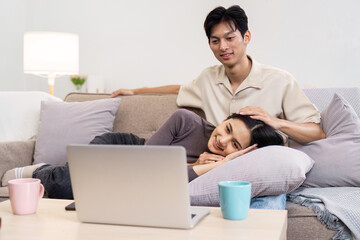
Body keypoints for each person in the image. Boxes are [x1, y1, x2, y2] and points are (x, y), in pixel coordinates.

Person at [111, 5, 325, 144]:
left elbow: (316, 132)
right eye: (215, 41)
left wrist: (276, 122)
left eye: (230, 38)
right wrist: (135, 91)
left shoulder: (281, 81)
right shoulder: (207, 79)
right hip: (219, 164)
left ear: (246, 36)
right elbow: (179, 89)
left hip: (263, 165)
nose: (223, 47)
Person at [2, 109, 284, 199]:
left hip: (129, 179)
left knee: (88, 194)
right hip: (123, 149)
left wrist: (212, 167)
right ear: (223, 119)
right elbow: (146, 167)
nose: (223, 140)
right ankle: (37, 170)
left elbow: (155, 183)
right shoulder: (186, 120)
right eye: (227, 128)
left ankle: (53, 171)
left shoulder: (227, 167)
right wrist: (198, 165)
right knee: (67, 184)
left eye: (235, 144)